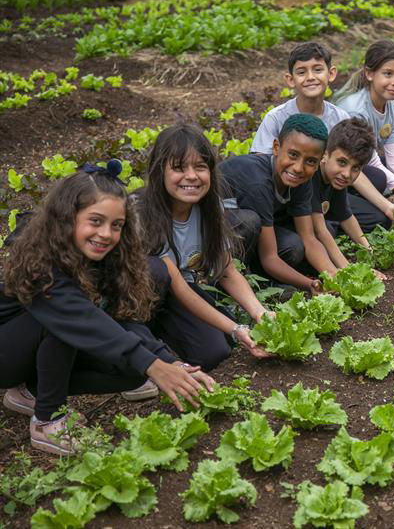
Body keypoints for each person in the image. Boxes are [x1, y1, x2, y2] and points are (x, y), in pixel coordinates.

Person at [0, 162, 215, 456]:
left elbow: (120, 318)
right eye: (96, 221)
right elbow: (83, 320)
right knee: (68, 322)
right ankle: (47, 420)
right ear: (67, 219)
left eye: (116, 225)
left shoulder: (102, 259)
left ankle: (31, 392)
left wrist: (166, 362)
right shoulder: (43, 265)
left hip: (37, 347)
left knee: (132, 373)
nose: (106, 234)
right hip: (6, 352)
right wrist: (153, 365)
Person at [140, 124, 274, 373]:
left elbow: (226, 271)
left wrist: (260, 313)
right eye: (179, 168)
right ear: (159, 171)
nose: (191, 176)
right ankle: (142, 350)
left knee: (216, 353)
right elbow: (177, 285)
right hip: (137, 301)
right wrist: (235, 328)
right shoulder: (143, 214)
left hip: (180, 293)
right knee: (155, 270)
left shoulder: (209, 210)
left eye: (200, 167)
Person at [252, 41, 394, 233]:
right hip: (293, 190)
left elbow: (349, 165)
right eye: (301, 72)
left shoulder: (339, 117)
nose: (310, 77)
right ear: (290, 79)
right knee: (323, 230)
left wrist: (386, 205)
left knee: (378, 212)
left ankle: (331, 217)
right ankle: (323, 224)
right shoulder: (276, 117)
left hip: (328, 187)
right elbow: (260, 167)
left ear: (331, 74)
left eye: (317, 70)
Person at [220, 114, 339, 292]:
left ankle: (264, 278)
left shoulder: (302, 179)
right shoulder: (258, 181)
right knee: (249, 221)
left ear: (319, 162)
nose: (298, 167)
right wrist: (310, 284)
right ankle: (241, 282)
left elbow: (309, 238)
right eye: (293, 154)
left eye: (310, 161)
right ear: (276, 147)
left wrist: (333, 275)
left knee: (294, 246)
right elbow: (270, 258)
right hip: (213, 234)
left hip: (254, 232)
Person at [333, 39, 394, 231]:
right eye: (388, 74)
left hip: (361, 166)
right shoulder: (355, 109)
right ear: (369, 73)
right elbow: (372, 163)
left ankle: (371, 199)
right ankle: (348, 206)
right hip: (339, 172)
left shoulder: (392, 108)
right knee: (378, 178)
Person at [311, 118, 386, 275]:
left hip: (314, 222)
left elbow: (346, 216)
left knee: (379, 219)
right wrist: (351, 271)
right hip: (281, 228)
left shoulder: (336, 179)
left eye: (355, 168)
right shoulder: (311, 176)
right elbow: (320, 231)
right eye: (342, 162)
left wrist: (370, 252)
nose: (346, 174)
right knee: (321, 236)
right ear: (325, 155)